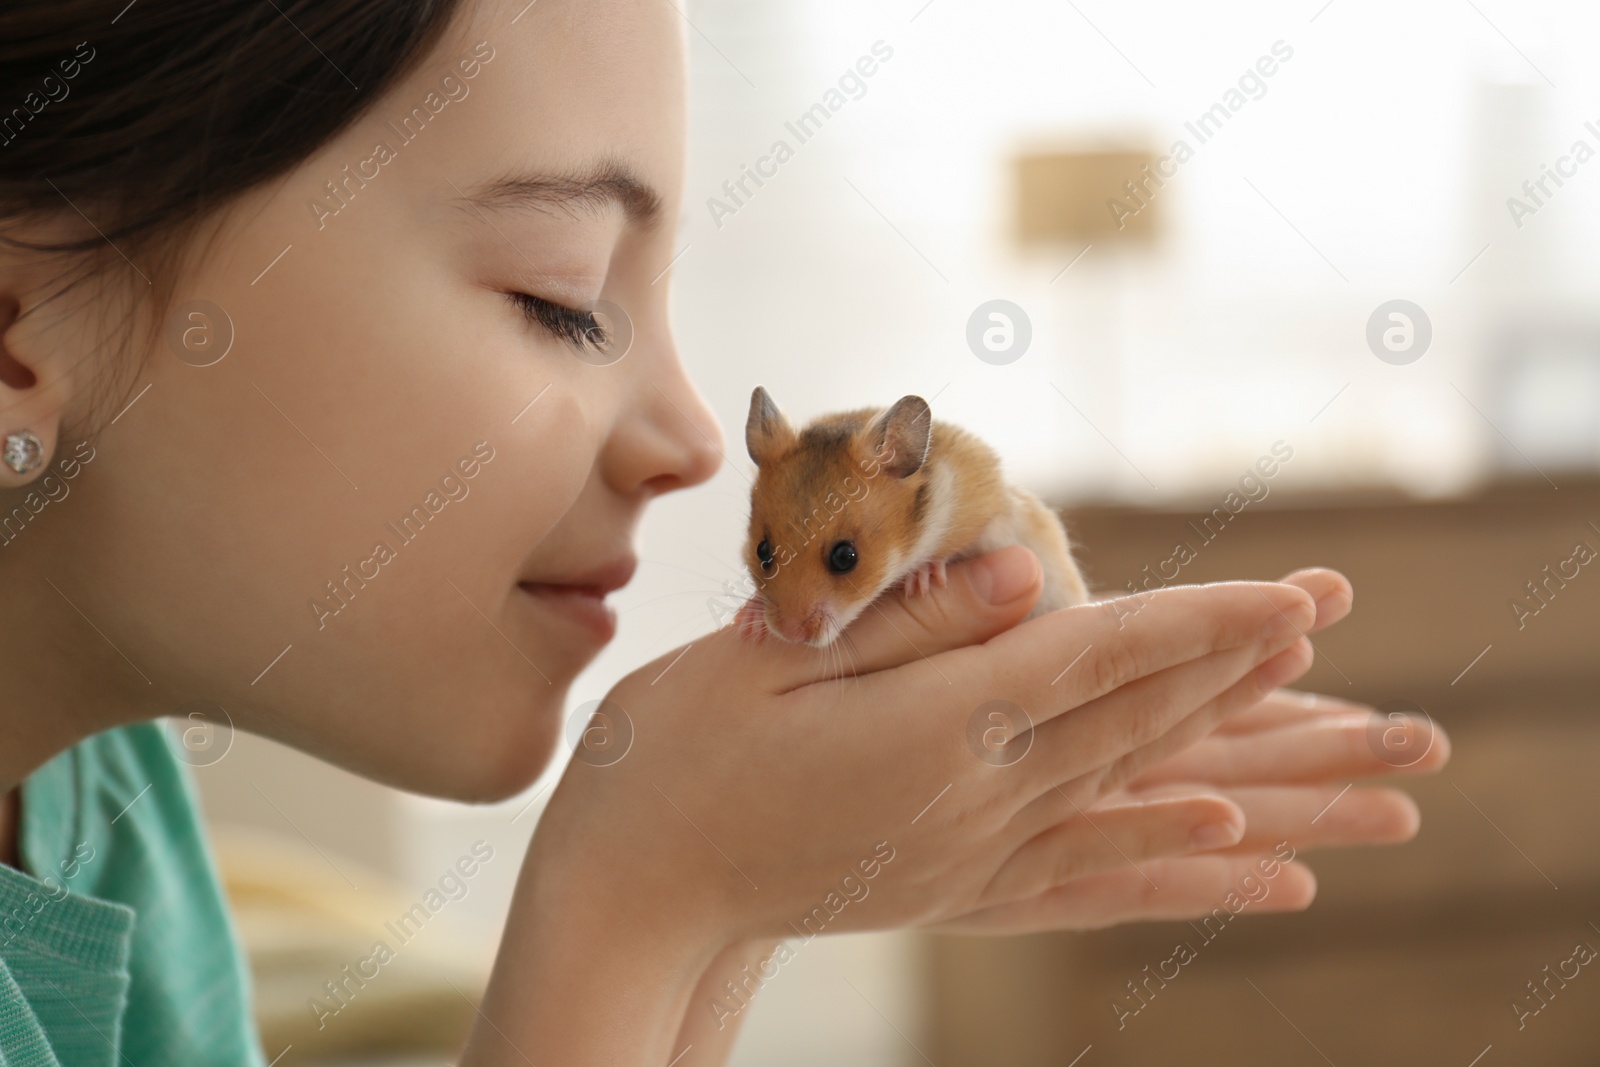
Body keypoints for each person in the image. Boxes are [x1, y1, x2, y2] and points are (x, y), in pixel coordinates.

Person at [0, 0, 1449, 1062]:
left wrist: (744, 891)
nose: (697, 442)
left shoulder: (103, 810)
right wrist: (635, 894)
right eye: (563, 297)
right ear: (16, 332)